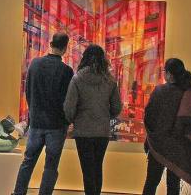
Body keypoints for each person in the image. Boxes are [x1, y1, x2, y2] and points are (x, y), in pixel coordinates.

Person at [12, 32, 74, 195]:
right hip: (56, 125)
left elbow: (28, 91)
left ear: (50, 44)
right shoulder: (66, 71)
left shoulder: (35, 64)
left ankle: (19, 192)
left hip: (36, 122)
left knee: (28, 161)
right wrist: (68, 121)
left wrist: (33, 113)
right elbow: (68, 100)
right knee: (51, 166)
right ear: (65, 48)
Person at [142, 58, 191, 195]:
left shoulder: (159, 91)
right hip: (179, 147)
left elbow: (149, 117)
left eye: (165, 71)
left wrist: (153, 136)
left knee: (151, 182)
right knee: (173, 185)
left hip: (158, 146)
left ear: (170, 74)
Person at [63, 44, 122, 195]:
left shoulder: (77, 79)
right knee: (97, 167)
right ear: (103, 59)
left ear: (85, 58)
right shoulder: (110, 80)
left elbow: (69, 107)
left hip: (83, 131)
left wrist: (72, 120)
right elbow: (117, 108)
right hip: (102, 131)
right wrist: (105, 114)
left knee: (87, 170)